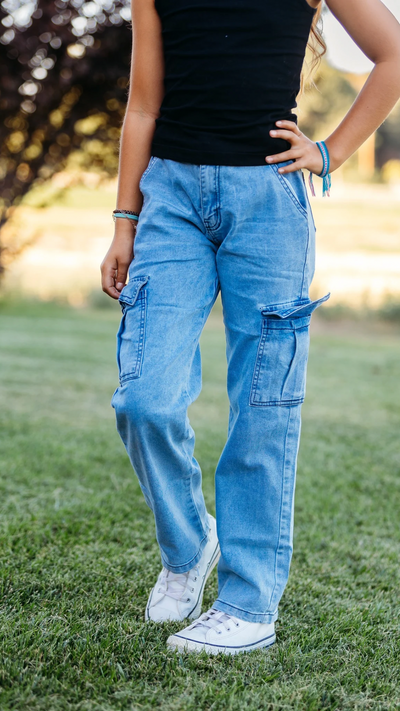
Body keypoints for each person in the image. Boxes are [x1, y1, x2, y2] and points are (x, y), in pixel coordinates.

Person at [101, 0, 400, 655]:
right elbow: (143, 107)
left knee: (264, 406)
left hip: (268, 201)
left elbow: (394, 54)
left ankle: (248, 604)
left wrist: (330, 152)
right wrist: (125, 221)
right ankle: (190, 545)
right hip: (170, 200)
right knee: (144, 399)